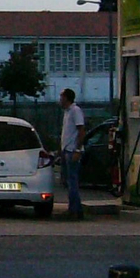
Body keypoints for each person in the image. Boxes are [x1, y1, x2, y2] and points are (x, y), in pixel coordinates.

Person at [59, 87, 86, 220]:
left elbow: (81, 131)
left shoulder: (75, 111)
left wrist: (78, 150)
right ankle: (75, 208)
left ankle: (74, 210)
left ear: (66, 98)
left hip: (72, 151)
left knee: (72, 181)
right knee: (68, 181)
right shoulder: (67, 112)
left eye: (61, 97)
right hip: (66, 150)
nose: (60, 100)